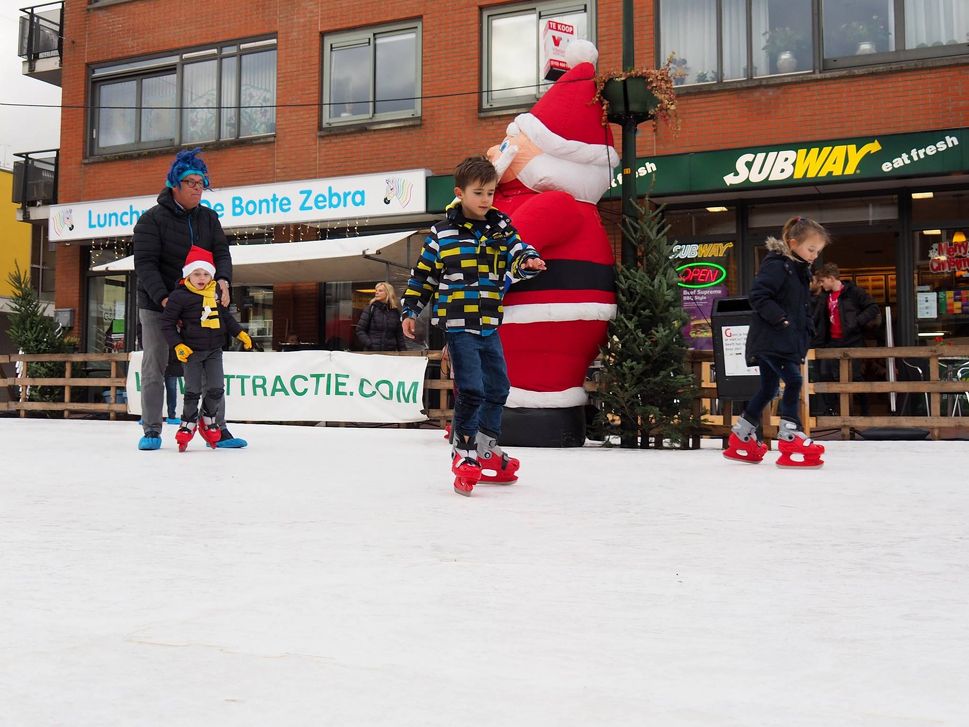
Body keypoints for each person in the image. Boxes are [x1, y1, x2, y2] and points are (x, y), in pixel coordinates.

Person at [400, 155, 546, 496]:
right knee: (473, 389)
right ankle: (463, 453)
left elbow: (517, 252)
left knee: (498, 388)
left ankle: (485, 448)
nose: (485, 200)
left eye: (491, 193)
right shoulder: (442, 234)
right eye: (478, 193)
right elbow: (423, 276)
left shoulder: (501, 228)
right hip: (457, 322)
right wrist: (410, 310)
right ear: (460, 193)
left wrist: (530, 261)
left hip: (488, 323)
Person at [133, 147, 245, 450]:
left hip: (202, 305)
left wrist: (223, 279)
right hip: (158, 304)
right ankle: (152, 429)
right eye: (192, 183)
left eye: (202, 183)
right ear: (175, 184)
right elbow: (145, 264)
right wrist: (166, 300)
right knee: (155, 362)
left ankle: (217, 430)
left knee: (209, 362)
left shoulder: (209, 218)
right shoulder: (150, 220)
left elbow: (221, 252)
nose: (199, 189)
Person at [724, 216, 829, 468]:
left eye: (818, 251)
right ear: (793, 243)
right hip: (772, 339)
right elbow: (759, 295)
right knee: (793, 380)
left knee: (769, 389)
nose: (814, 255)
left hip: (784, 340)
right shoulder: (779, 265)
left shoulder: (799, 269)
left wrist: (806, 328)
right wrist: (780, 320)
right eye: (810, 249)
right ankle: (790, 433)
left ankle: (741, 434)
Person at [160, 246, 252, 451]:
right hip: (191, 351)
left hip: (214, 350)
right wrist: (177, 345)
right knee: (192, 390)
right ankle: (188, 422)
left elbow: (225, 317)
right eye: (196, 274)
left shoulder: (214, 292)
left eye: (206, 274)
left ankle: (208, 417)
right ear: (188, 275)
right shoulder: (179, 296)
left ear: (211, 275)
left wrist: (239, 332)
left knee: (217, 388)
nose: (201, 278)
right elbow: (167, 323)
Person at [813, 262, 881, 417]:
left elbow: (873, 307)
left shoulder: (853, 292)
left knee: (854, 376)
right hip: (831, 342)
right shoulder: (824, 296)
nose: (821, 284)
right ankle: (832, 410)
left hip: (852, 341)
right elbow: (817, 317)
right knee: (825, 374)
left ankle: (864, 409)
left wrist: (856, 322)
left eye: (822, 281)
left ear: (831, 278)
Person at [355, 282, 406, 351]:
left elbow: (399, 335)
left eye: (380, 291)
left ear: (388, 293)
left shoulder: (395, 312)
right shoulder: (370, 309)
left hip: (390, 354)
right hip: (372, 353)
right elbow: (360, 330)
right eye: (376, 290)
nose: (376, 292)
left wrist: (403, 352)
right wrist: (369, 344)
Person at [164, 351, 183, 425]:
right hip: (172, 363)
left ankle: (147, 417)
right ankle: (171, 416)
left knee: (153, 389)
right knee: (171, 390)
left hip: (171, 364)